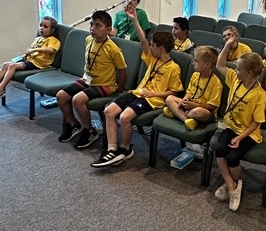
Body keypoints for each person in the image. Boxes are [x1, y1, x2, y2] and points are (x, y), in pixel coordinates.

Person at [91, 10, 182, 167]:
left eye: (153, 45)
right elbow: (143, 41)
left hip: (153, 100)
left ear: (161, 49)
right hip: (138, 93)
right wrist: (134, 20)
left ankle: (125, 148)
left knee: (125, 117)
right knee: (109, 111)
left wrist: (154, 93)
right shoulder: (153, 58)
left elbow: (174, 92)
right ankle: (111, 149)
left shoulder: (174, 68)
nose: (150, 47)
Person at [214, 30, 266, 212]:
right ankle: (232, 185)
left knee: (233, 157)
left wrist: (240, 137)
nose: (235, 71)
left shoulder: (259, 94)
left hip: (248, 132)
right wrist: (227, 45)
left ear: (250, 73)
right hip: (231, 126)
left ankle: (235, 182)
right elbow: (220, 64)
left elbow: (256, 123)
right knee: (219, 149)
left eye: (238, 69)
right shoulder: (235, 80)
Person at [57, 10, 127, 149]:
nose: (93, 28)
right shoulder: (88, 39)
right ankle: (73, 124)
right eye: (91, 24)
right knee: (61, 96)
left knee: (78, 100)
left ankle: (90, 130)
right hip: (87, 80)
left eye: (98, 25)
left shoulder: (113, 49)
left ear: (108, 30)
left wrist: (119, 89)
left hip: (105, 84)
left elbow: (123, 70)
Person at [0, 17, 60, 98]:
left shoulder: (53, 40)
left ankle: (1, 88)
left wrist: (34, 50)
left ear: (52, 30)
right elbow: (32, 51)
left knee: (12, 66)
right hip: (29, 59)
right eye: (40, 25)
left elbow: (52, 50)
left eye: (45, 27)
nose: (41, 28)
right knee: (5, 65)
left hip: (38, 63)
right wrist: (26, 55)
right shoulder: (38, 39)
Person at [164, 45, 222, 130]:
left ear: (207, 64)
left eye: (196, 61)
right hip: (190, 104)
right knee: (169, 99)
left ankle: (178, 113)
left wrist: (195, 105)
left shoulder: (216, 83)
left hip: (204, 110)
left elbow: (212, 106)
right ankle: (187, 120)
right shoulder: (195, 75)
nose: (193, 63)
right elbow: (189, 92)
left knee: (197, 112)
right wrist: (185, 99)